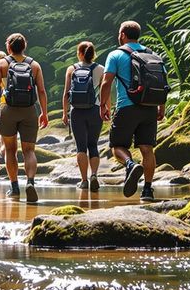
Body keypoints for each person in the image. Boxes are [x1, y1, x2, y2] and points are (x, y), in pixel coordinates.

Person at [100, 20, 162, 201]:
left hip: (126, 107)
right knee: (147, 149)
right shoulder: (153, 54)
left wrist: (103, 104)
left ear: (122, 35)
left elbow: (106, 82)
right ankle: (148, 191)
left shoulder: (116, 55)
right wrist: (160, 107)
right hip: (149, 107)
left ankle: (129, 164)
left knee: (117, 147)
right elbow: (161, 83)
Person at [0, 33, 48, 202]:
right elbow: (41, 91)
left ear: (8, 47)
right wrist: (44, 112)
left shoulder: (2, 63)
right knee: (29, 150)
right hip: (29, 110)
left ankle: (14, 187)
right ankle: (30, 182)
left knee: (9, 150)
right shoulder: (34, 65)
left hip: (8, 109)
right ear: (24, 47)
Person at [62, 41, 105, 192]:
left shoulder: (71, 69)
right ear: (93, 54)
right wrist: (106, 109)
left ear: (79, 53)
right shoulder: (101, 69)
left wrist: (64, 112)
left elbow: (66, 93)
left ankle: (84, 180)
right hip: (95, 109)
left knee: (81, 146)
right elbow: (104, 92)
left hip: (77, 111)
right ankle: (94, 175)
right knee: (93, 144)